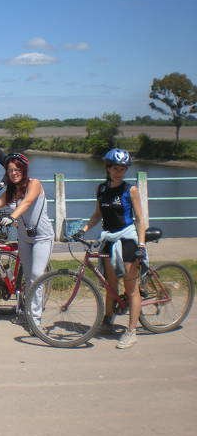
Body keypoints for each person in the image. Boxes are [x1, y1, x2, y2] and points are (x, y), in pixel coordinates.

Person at [0, 153, 54, 330]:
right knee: (28, 277)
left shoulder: (34, 184)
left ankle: (35, 320)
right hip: (24, 238)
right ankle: (26, 312)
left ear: (24, 169)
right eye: (10, 170)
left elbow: (27, 202)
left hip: (42, 237)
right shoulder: (10, 192)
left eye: (17, 169)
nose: (14, 173)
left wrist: (12, 217)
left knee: (36, 276)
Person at [75, 148, 147, 349]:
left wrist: (141, 245)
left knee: (131, 289)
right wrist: (84, 229)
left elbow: (141, 219)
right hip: (109, 238)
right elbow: (98, 214)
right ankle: (108, 320)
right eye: (116, 168)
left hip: (127, 238)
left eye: (123, 169)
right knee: (110, 285)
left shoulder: (129, 190)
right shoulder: (102, 189)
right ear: (108, 168)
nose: (120, 173)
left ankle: (131, 332)